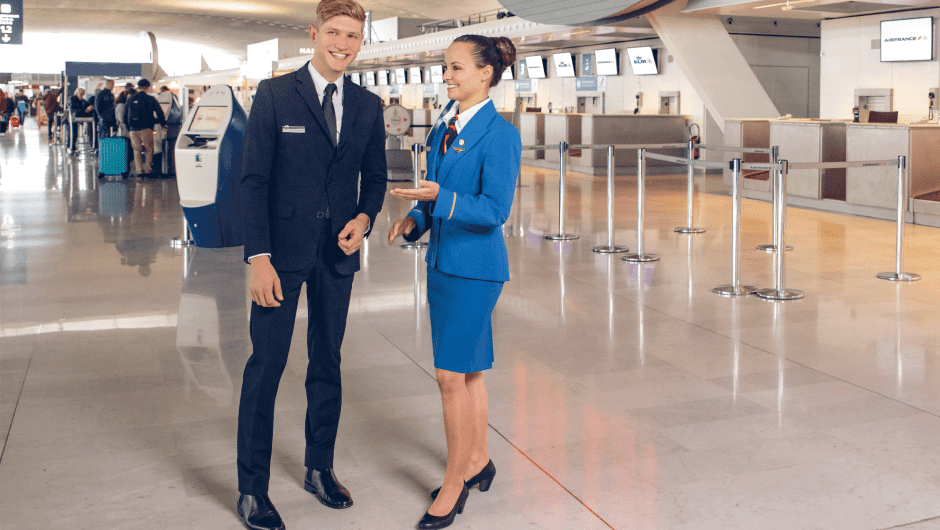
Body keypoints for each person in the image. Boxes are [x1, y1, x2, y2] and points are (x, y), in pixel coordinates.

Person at [235, 0, 387, 529]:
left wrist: (365, 219)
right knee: (266, 367)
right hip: (280, 256)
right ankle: (252, 488)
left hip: (337, 256)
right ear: (314, 33)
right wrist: (259, 258)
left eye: (353, 35)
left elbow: (376, 178)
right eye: (335, 32)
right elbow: (252, 180)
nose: (343, 44)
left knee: (327, 365)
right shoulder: (276, 94)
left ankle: (319, 467)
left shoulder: (368, 105)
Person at [387, 34, 521, 530]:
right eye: (446, 67)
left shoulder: (500, 135)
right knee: (467, 371)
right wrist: (415, 221)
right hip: (443, 263)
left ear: (486, 73)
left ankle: (455, 480)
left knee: (447, 378)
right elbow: (433, 198)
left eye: (458, 68)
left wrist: (439, 200)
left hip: (476, 269)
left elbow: (493, 210)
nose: (448, 76)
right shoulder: (447, 121)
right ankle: (479, 460)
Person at [123, 79, 166, 176]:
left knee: (137, 150)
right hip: (146, 128)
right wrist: (163, 123)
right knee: (149, 149)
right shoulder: (150, 98)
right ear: (147, 87)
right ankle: (147, 170)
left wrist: (129, 128)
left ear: (138, 87)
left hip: (133, 129)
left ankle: (139, 171)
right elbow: (159, 112)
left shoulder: (130, 99)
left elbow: (124, 116)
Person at [67, 88, 94, 152]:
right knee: (72, 133)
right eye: (81, 94)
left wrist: (90, 107)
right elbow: (74, 110)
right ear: (77, 93)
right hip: (71, 118)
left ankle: (72, 146)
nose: (82, 96)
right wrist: (85, 110)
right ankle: (70, 146)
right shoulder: (72, 99)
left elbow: (87, 105)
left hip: (76, 118)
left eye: (83, 94)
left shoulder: (82, 100)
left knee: (74, 132)